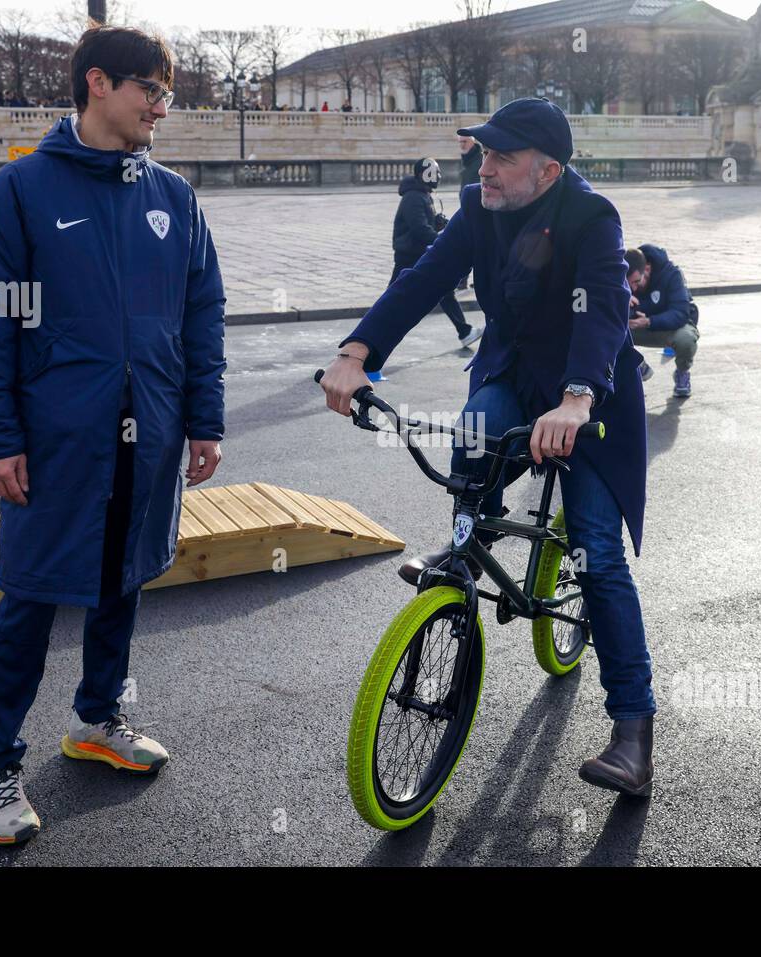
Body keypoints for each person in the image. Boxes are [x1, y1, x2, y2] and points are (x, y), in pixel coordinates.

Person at [319, 97, 658, 798]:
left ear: (549, 169)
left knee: (595, 547)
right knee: (473, 439)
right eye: (481, 153)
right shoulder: (480, 209)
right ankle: (467, 545)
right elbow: (420, 282)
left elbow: (599, 314)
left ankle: (632, 731)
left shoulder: (591, 220)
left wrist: (576, 397)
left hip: (588, 398)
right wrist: (357, 353)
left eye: (501, 156)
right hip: (513, 374)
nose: (484, 167)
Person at [0, 24, 227, 846]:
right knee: (31, 597)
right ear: (99, 84)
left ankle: (96, 718)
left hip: (148, 434)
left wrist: (204, 418)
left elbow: (201, 311)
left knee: (124, 578)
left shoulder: (173, 198)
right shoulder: (23, 191)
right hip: (55, 440)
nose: (161, 108)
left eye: (167, 94)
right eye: (152, 91)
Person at [390, 156, 479, 350]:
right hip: (410, 254)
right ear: (427, 174)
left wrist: (437, 222)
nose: (438, 176)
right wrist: (443, 238)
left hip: (416, 252)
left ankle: (464, 331)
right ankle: (370, 333)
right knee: (392, 296)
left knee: (444, 290)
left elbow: (424, 224)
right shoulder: (414, 197)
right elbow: (419, 229)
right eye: (435, 173)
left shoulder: (422, 194)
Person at [626, 245, 698, 397]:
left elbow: (680, 313)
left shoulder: (672, 275)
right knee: (607, 330)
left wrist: (649, 321)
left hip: (668, 326)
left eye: (637, 282)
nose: (634, 287)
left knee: (686, 339)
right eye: (630, 283)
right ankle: (635, 364)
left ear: (647, 268)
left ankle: (682, 372)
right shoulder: (627, 274)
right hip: (635, 327)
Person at [456, 134, 482, 291]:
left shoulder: (479, 160)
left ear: (473, 142)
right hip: (467, 208)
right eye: (460, 142)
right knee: (472, 246)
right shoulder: (468, 159)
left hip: (477, 210)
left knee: (472, 247)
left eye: (465, 142)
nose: (462, 145)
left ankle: (463, 281)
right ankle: (463, 281)